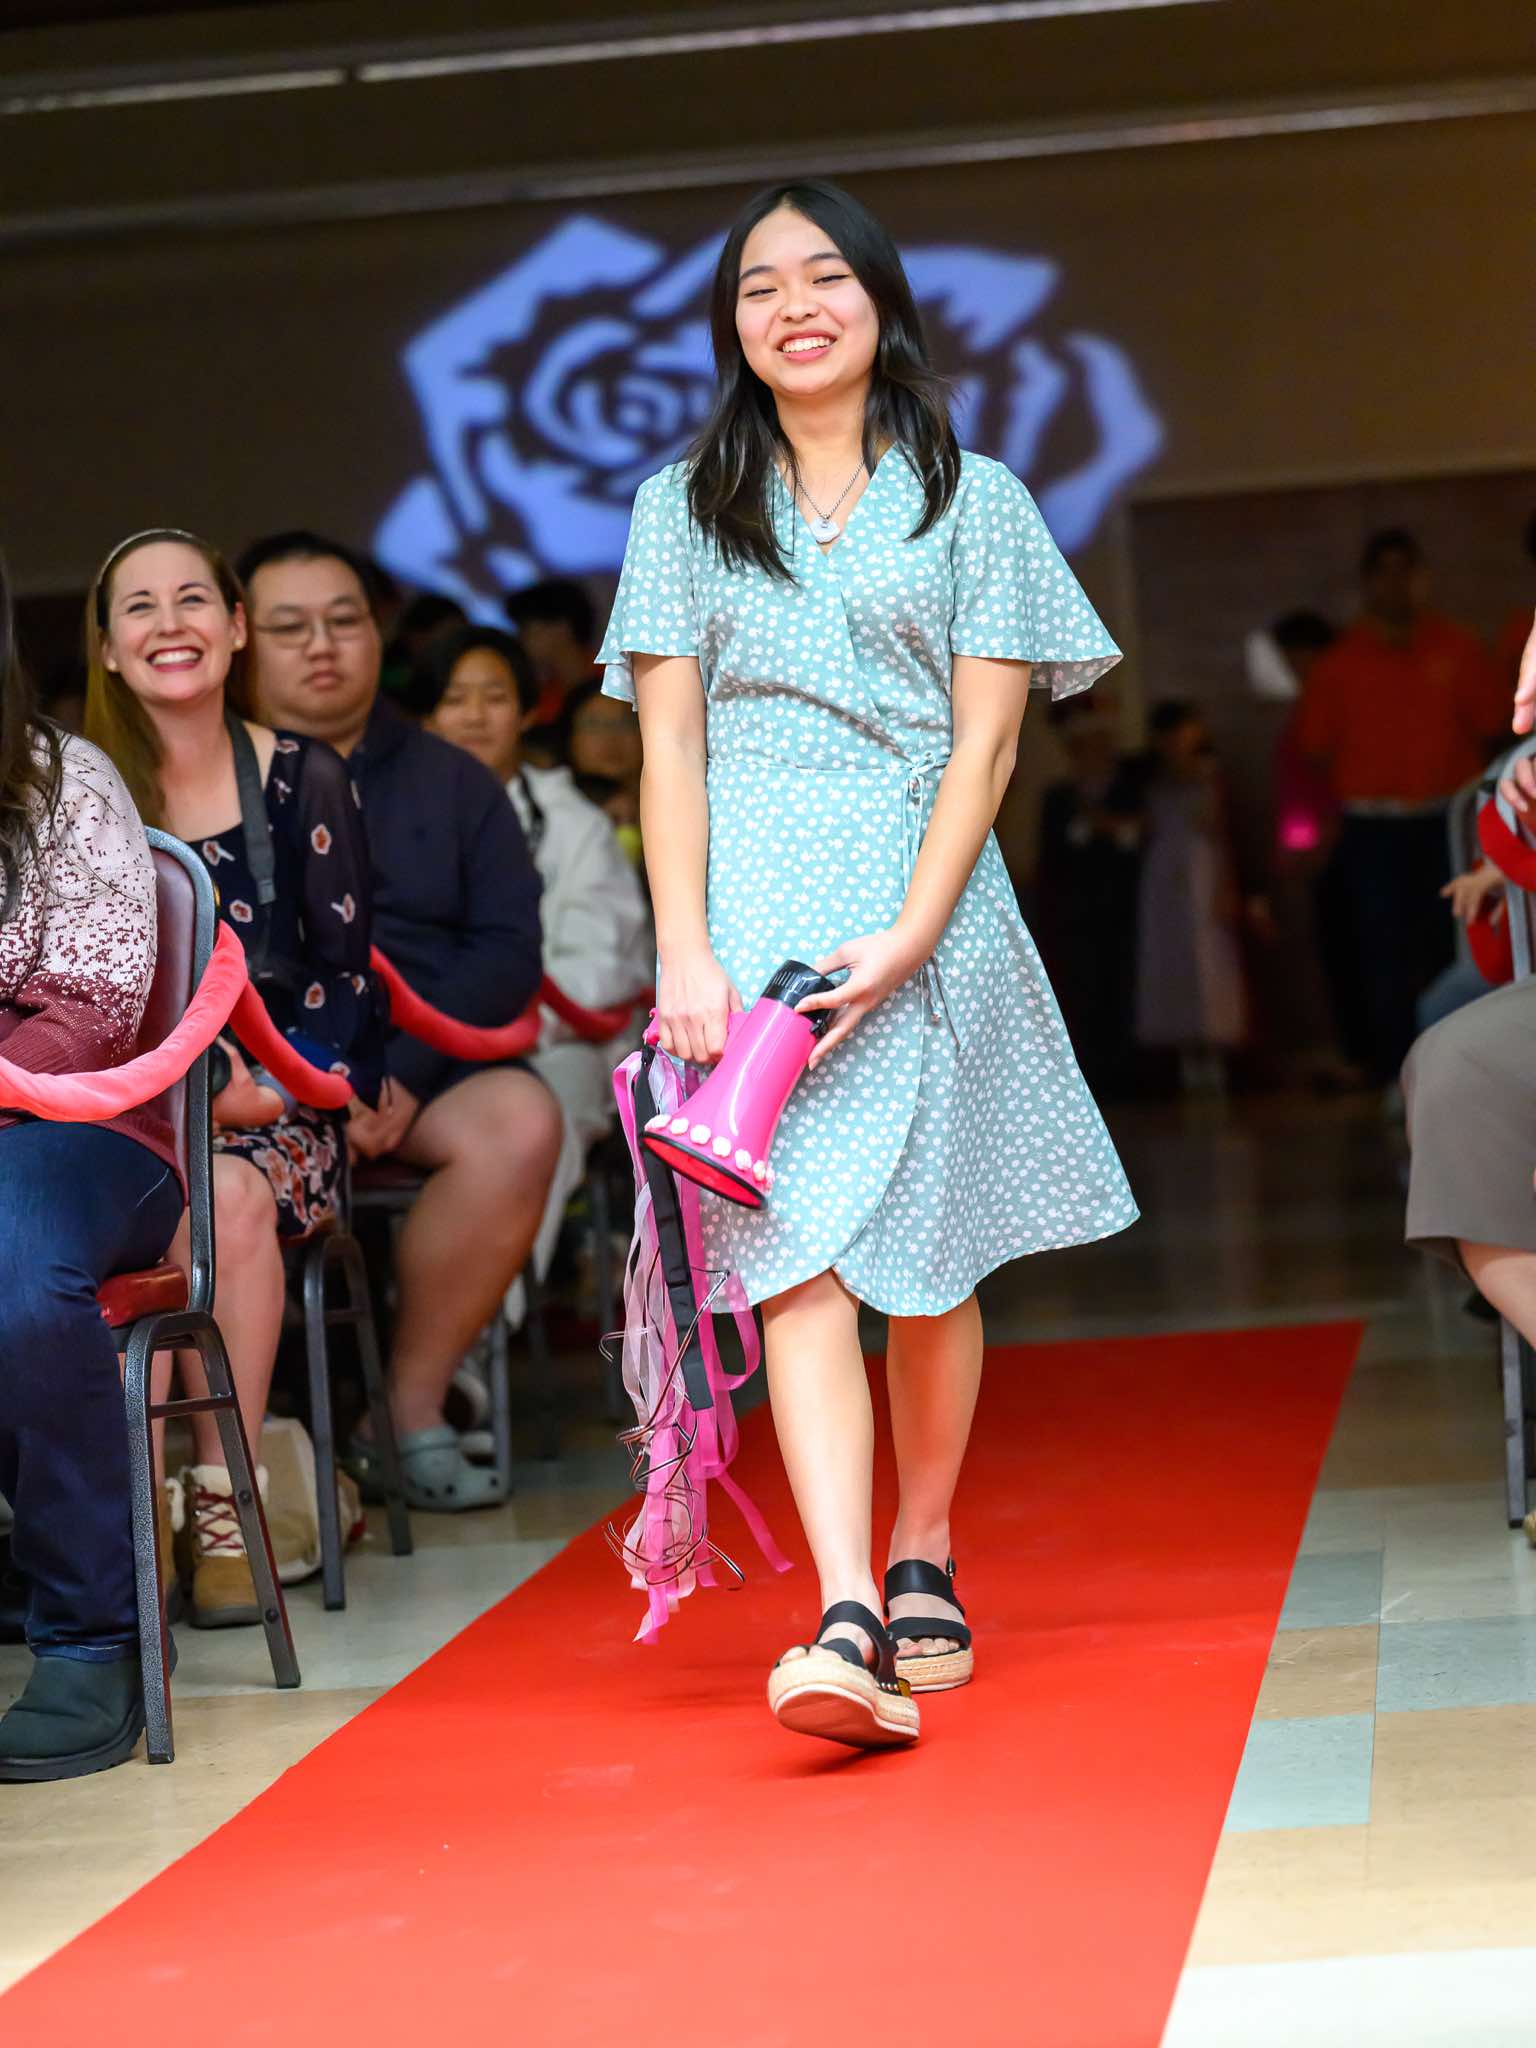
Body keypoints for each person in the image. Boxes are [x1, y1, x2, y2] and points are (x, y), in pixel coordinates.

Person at [599, 177, 1136, 1749]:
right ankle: (843, 1611)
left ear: (882, 301)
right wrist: (685, 950)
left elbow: (988, 748)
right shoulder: (680, 505)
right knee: (801, 1262)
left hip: (930, 906)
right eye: (760, 286)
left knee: (930, 1268)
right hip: (758, 931)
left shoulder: (979, 498)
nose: (794, 307)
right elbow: (669, 750)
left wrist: (910, 934)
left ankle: (924, 1546)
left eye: (824, 276)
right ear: (731, 327)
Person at [85, 528, 386, 1626]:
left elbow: (344, 977)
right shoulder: (76, 792)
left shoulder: (306, 775)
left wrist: (268, 1084)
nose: (171, 625)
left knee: (228, 1195)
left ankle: (224, 1503)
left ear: (236, 625)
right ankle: (133, 1514)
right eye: (140, 607)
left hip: (280, 1108)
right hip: (123, 1112)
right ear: (107, 646)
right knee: (129, 1197)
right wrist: (179, 1093)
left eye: (194, 600)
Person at [235, 531, 563, 1510]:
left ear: (380, 635)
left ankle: (406, 1409)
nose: (322, 645)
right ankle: (232, 1450)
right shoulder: (205, 773)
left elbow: (506, 953)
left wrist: (403, 1070)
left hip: (420, 1064)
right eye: (290, 627)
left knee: (521, 1123)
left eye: (344, 621)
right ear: (243, 639)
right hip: (257, 1071)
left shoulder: (454, 779)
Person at [0, 548, 185, 1780]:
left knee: (13, 1260)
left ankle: (87, 1632)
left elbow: (95, 1003)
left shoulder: (63, 778)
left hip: (79, 1128)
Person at [414, 624, 652, 1151]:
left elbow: (600, 967)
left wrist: (492, 1023)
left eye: (495, 698)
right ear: (427, 719)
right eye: (454, 700)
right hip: (421, 1041)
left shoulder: (576, 823)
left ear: (526, 712)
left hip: (551, 1040)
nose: (475, 716)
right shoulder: (390, 815)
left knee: (544, 1111)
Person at [1292, 529, 1506, 1086]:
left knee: (1453, 946)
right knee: (1380, 953)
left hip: (1445, 824)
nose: (1396, 584)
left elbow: (1492, 729)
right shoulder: (1340, 664)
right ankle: (1395, 1078)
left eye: (1405, 570)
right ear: (1367, 583)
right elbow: (1315, 748)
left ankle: (1457, 1076)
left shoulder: (1458, 648)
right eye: (1383, 572)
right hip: (1373, 829)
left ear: (1422, 578)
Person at [1131, 701, 1251, 1094]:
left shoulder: (1209, 776)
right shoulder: (1150, 780)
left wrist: (1227, 886)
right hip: (1162, 875)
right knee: (1169, 956)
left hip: (1202, 871)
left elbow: (1221, 833)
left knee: (1208, 956)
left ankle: (1215, 1049)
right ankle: (1183, 1054)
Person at [1034, 695, 1141, 1096]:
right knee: (1083, 990)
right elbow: (1051, 856)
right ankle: (1092, 1076)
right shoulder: (1058, 797)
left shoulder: (1129, 790)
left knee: (1125, 986)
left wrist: (1108, 827)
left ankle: (1128, 1073)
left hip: (1124, 905)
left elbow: (1140, 841)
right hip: (1077, 912)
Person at [552, 676, 647, 867]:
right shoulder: (547, 808)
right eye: (594, 724)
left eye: (625, 723)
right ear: (569, 736)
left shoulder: (675, 808)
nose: (610, 737)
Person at [505, 577, 599, 745]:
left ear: (562, 628)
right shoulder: (541, 698)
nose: (520, 639)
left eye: (527, 630)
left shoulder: (622, 679)